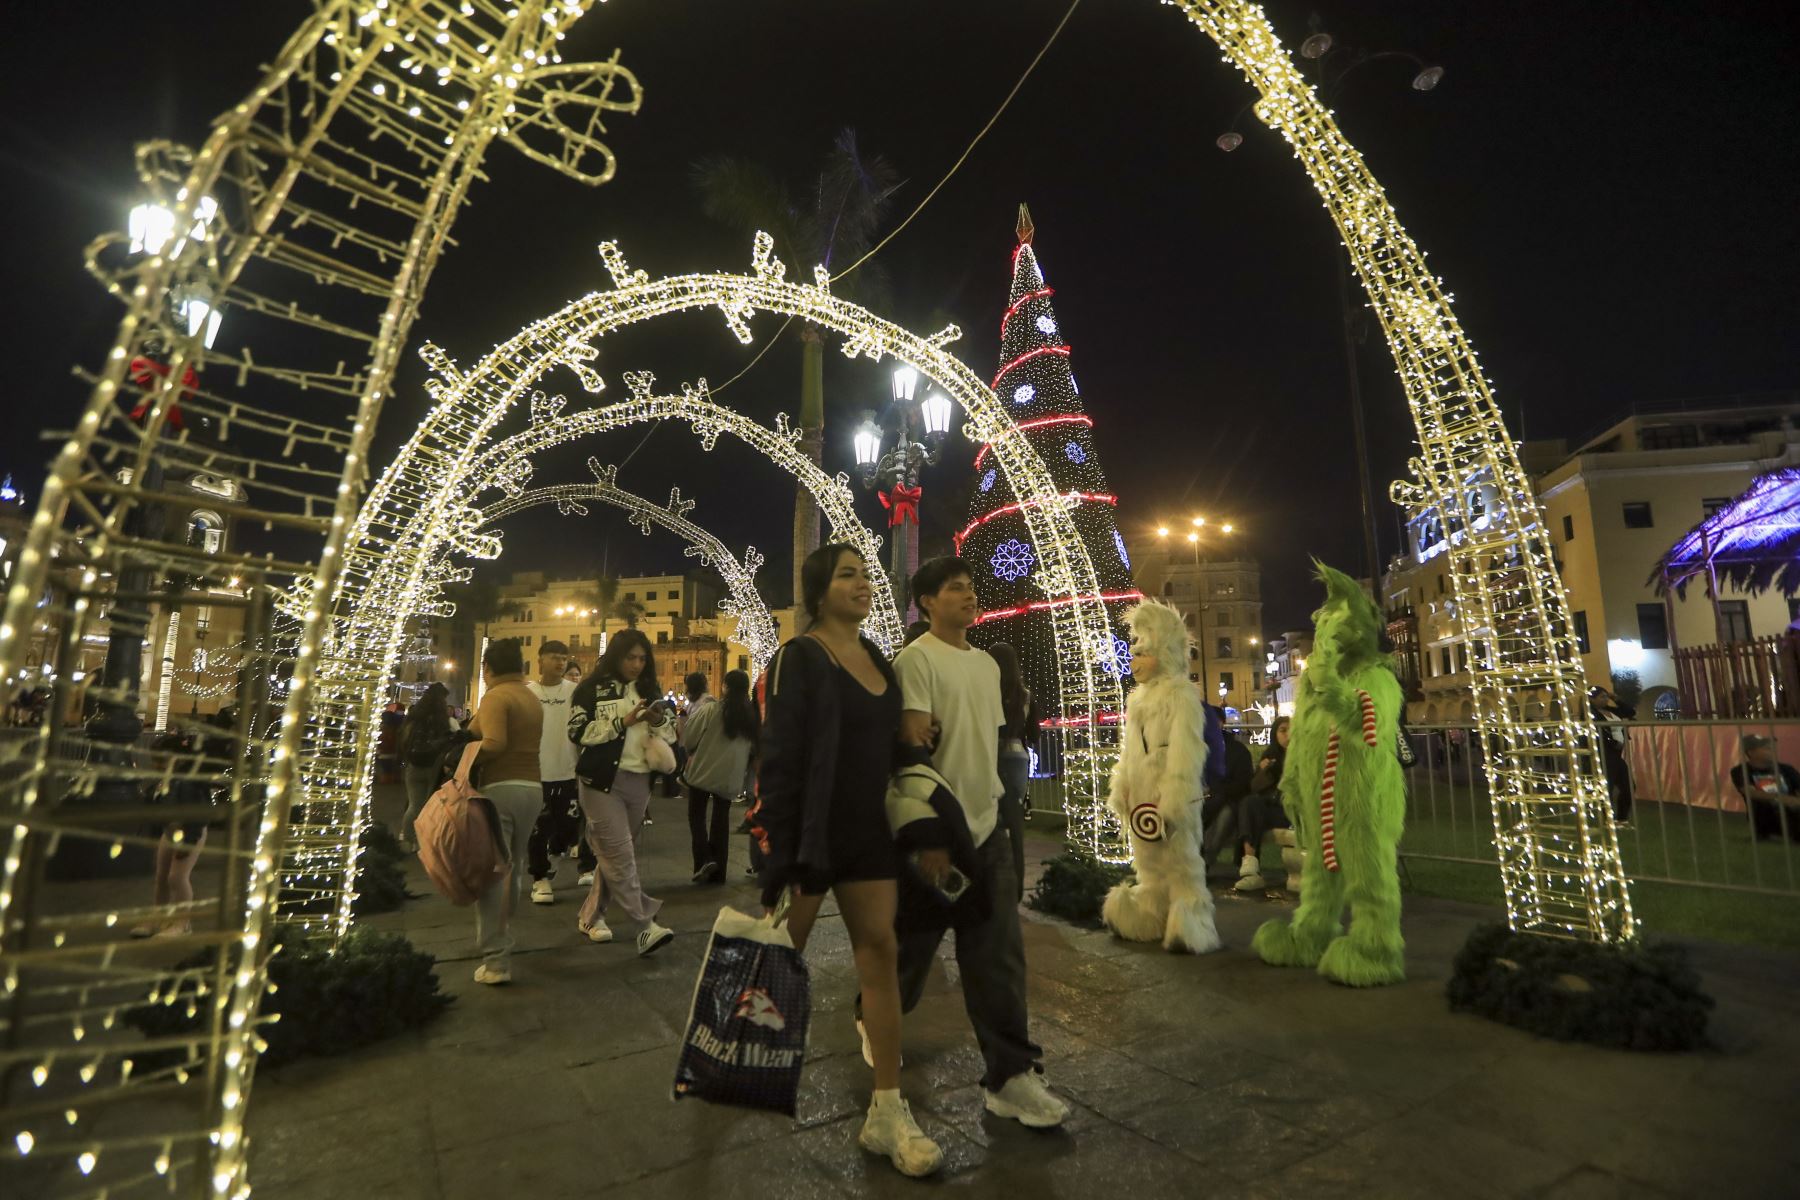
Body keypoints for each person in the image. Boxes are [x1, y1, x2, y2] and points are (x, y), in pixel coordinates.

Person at [757, 543, 943, 1178]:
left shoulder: (879, 663)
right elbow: (778, 758)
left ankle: (886, 1110)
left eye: (865, 575)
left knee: (881, 953)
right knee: (778, 960)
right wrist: (778, 855)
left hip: (868, 833)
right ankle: (735, 1064)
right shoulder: (799, 657)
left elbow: (890, 747)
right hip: (813, 837)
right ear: (818, 590)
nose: (863, 584)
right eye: (847, 576)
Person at [893, 556, 1067, 1129]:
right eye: (954, 589)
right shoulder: (915, 660)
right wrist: (930, 835)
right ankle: (876, 1017)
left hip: (988, 827)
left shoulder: (989, 666)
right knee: (914, 947)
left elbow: (987, 742)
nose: (969, 596)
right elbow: (915, 746)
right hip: (940, 832)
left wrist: (998, 811)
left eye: (971, 587)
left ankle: (1009, 1075)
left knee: (997, 953)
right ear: (926, 603)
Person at [567, 628, 677, 956]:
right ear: (617, 655)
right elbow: (577, 731)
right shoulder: (590, 689)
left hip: (639, 781)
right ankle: (645, 925)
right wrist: (622, 722)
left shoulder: (650, 689)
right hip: (601, 782)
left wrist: (656, 721)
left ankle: (591, 916)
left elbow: (671, 734)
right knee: (619, 854)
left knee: (613, 857)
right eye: (631, 657)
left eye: (643, 658)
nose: (637, 664)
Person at [464, 638, 543, 985]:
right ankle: (503, 938)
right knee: (513, 866)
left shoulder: (497, 696)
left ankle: (496, 959)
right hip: (532, 789)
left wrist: (465, 757)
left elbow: (495, 743)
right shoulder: (529, 696)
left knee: (492, 874)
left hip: (501, 789)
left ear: (488, 669)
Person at [527, 642, 595, 905]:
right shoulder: (529, 692)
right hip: (537, 772)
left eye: (564, 658)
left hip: (568, 772)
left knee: (568, 829)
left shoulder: (576, 692)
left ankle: (555, 856)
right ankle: (539, 879)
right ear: (540, 660)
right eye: (554, 658)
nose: (560, 663)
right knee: (537, 829)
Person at [682, 669, 758, 882]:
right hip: (730, 777)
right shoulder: (750, 717)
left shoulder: (711, 710)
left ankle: (704, 859)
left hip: (703, 772)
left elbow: (689, 739)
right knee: (720, 819)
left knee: (696, 816)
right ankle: (719, 873)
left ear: (725, 686)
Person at [988, 642, 1038, 894]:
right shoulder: (1025, 695)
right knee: (1014, 817)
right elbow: (1035, 733)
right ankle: (1017, 882)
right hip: (1019, 757)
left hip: (991, 755)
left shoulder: (987, 691)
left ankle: (995, 879)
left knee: (992, 818)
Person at [398, 682, 458, 853]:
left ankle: (408, 841)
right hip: (433, 765)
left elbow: (404, 738)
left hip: (413, 764)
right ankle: (426, 842)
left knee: (414, 804)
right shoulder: (442, 720)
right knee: (430, 805)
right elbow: (450, 739)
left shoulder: (415, 717)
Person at [1235, 715, 1291, 891]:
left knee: (1253, 809)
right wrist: (1262, 771)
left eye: (1291, 730)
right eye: (1282, 730)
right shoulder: (1270, 755)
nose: (1287, 735)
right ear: (1274, 733)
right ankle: (1250, 867)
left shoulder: (1300, 756)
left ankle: (1251, 869)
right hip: (1270, 808)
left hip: (1290, 810)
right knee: (1249, 804)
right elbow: (1255, 788)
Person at [1731, 734, 1800, 841]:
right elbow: (1750, 792)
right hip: (1765, 816)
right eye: (1766, 748)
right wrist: (1782, 799)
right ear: (1751, 752)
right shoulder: (1740, 771)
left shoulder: (1787, 769)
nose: (1772, 750)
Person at [1589, 686, 1635, 824]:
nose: (1605, 699)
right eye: (1601, 697)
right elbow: (1598, 732)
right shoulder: (1591, 713)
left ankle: (1622, 818)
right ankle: (1607, 819)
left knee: (1629, 787)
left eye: (1606, 696)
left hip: (1616, 754)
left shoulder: (1610, 710)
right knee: (1606, 788)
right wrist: (1612, 742)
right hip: (1604, 752)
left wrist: (1616, 699)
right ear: (1592, 698)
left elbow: (1630, 711)